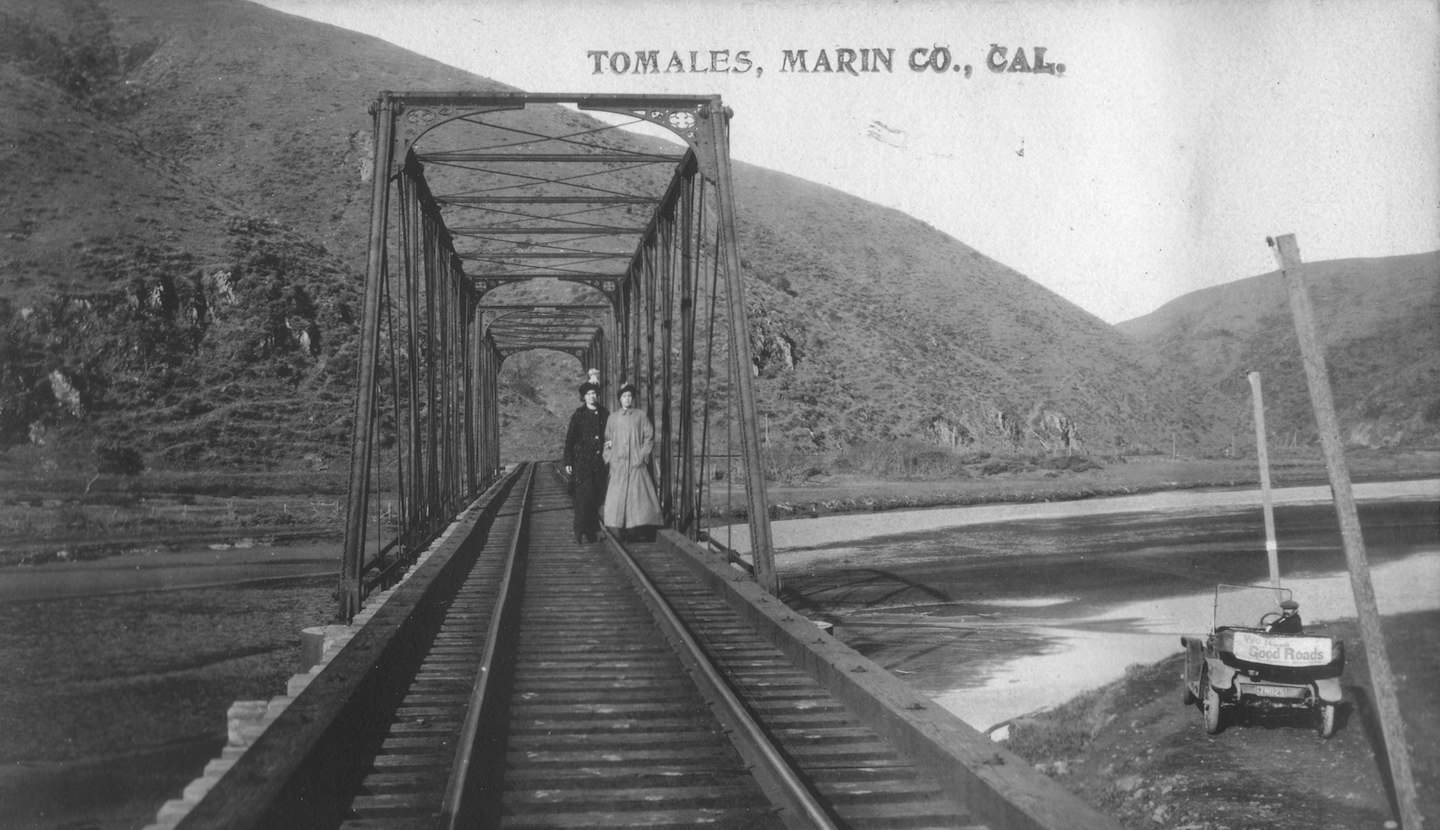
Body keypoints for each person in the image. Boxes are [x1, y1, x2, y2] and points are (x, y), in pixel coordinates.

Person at [601, 381, 663, 541]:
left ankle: (635, 530)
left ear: (633, 398)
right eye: (624, 396)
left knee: (637, 499)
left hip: (636, 465)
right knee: (617, 498)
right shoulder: (612, 418)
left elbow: (649, 437)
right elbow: (607, 441)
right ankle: (620, 530)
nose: (627, 399)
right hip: (618, 466)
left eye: (629, 396)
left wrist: (642, 455)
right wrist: (609, 459)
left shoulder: (640, 416)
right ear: (619, 399)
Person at [563, 379, 608, 544]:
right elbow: (570, 439)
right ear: (584, 397)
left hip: (600, 463)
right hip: (582, 462)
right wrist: (568, 461)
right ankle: (579, 532)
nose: (591, 396)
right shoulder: (578, 415)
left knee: (596, 498)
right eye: (588, 394)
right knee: (583, 497)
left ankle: (593, 530)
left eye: (594, 393)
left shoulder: (604, 413)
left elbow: (610, 435)